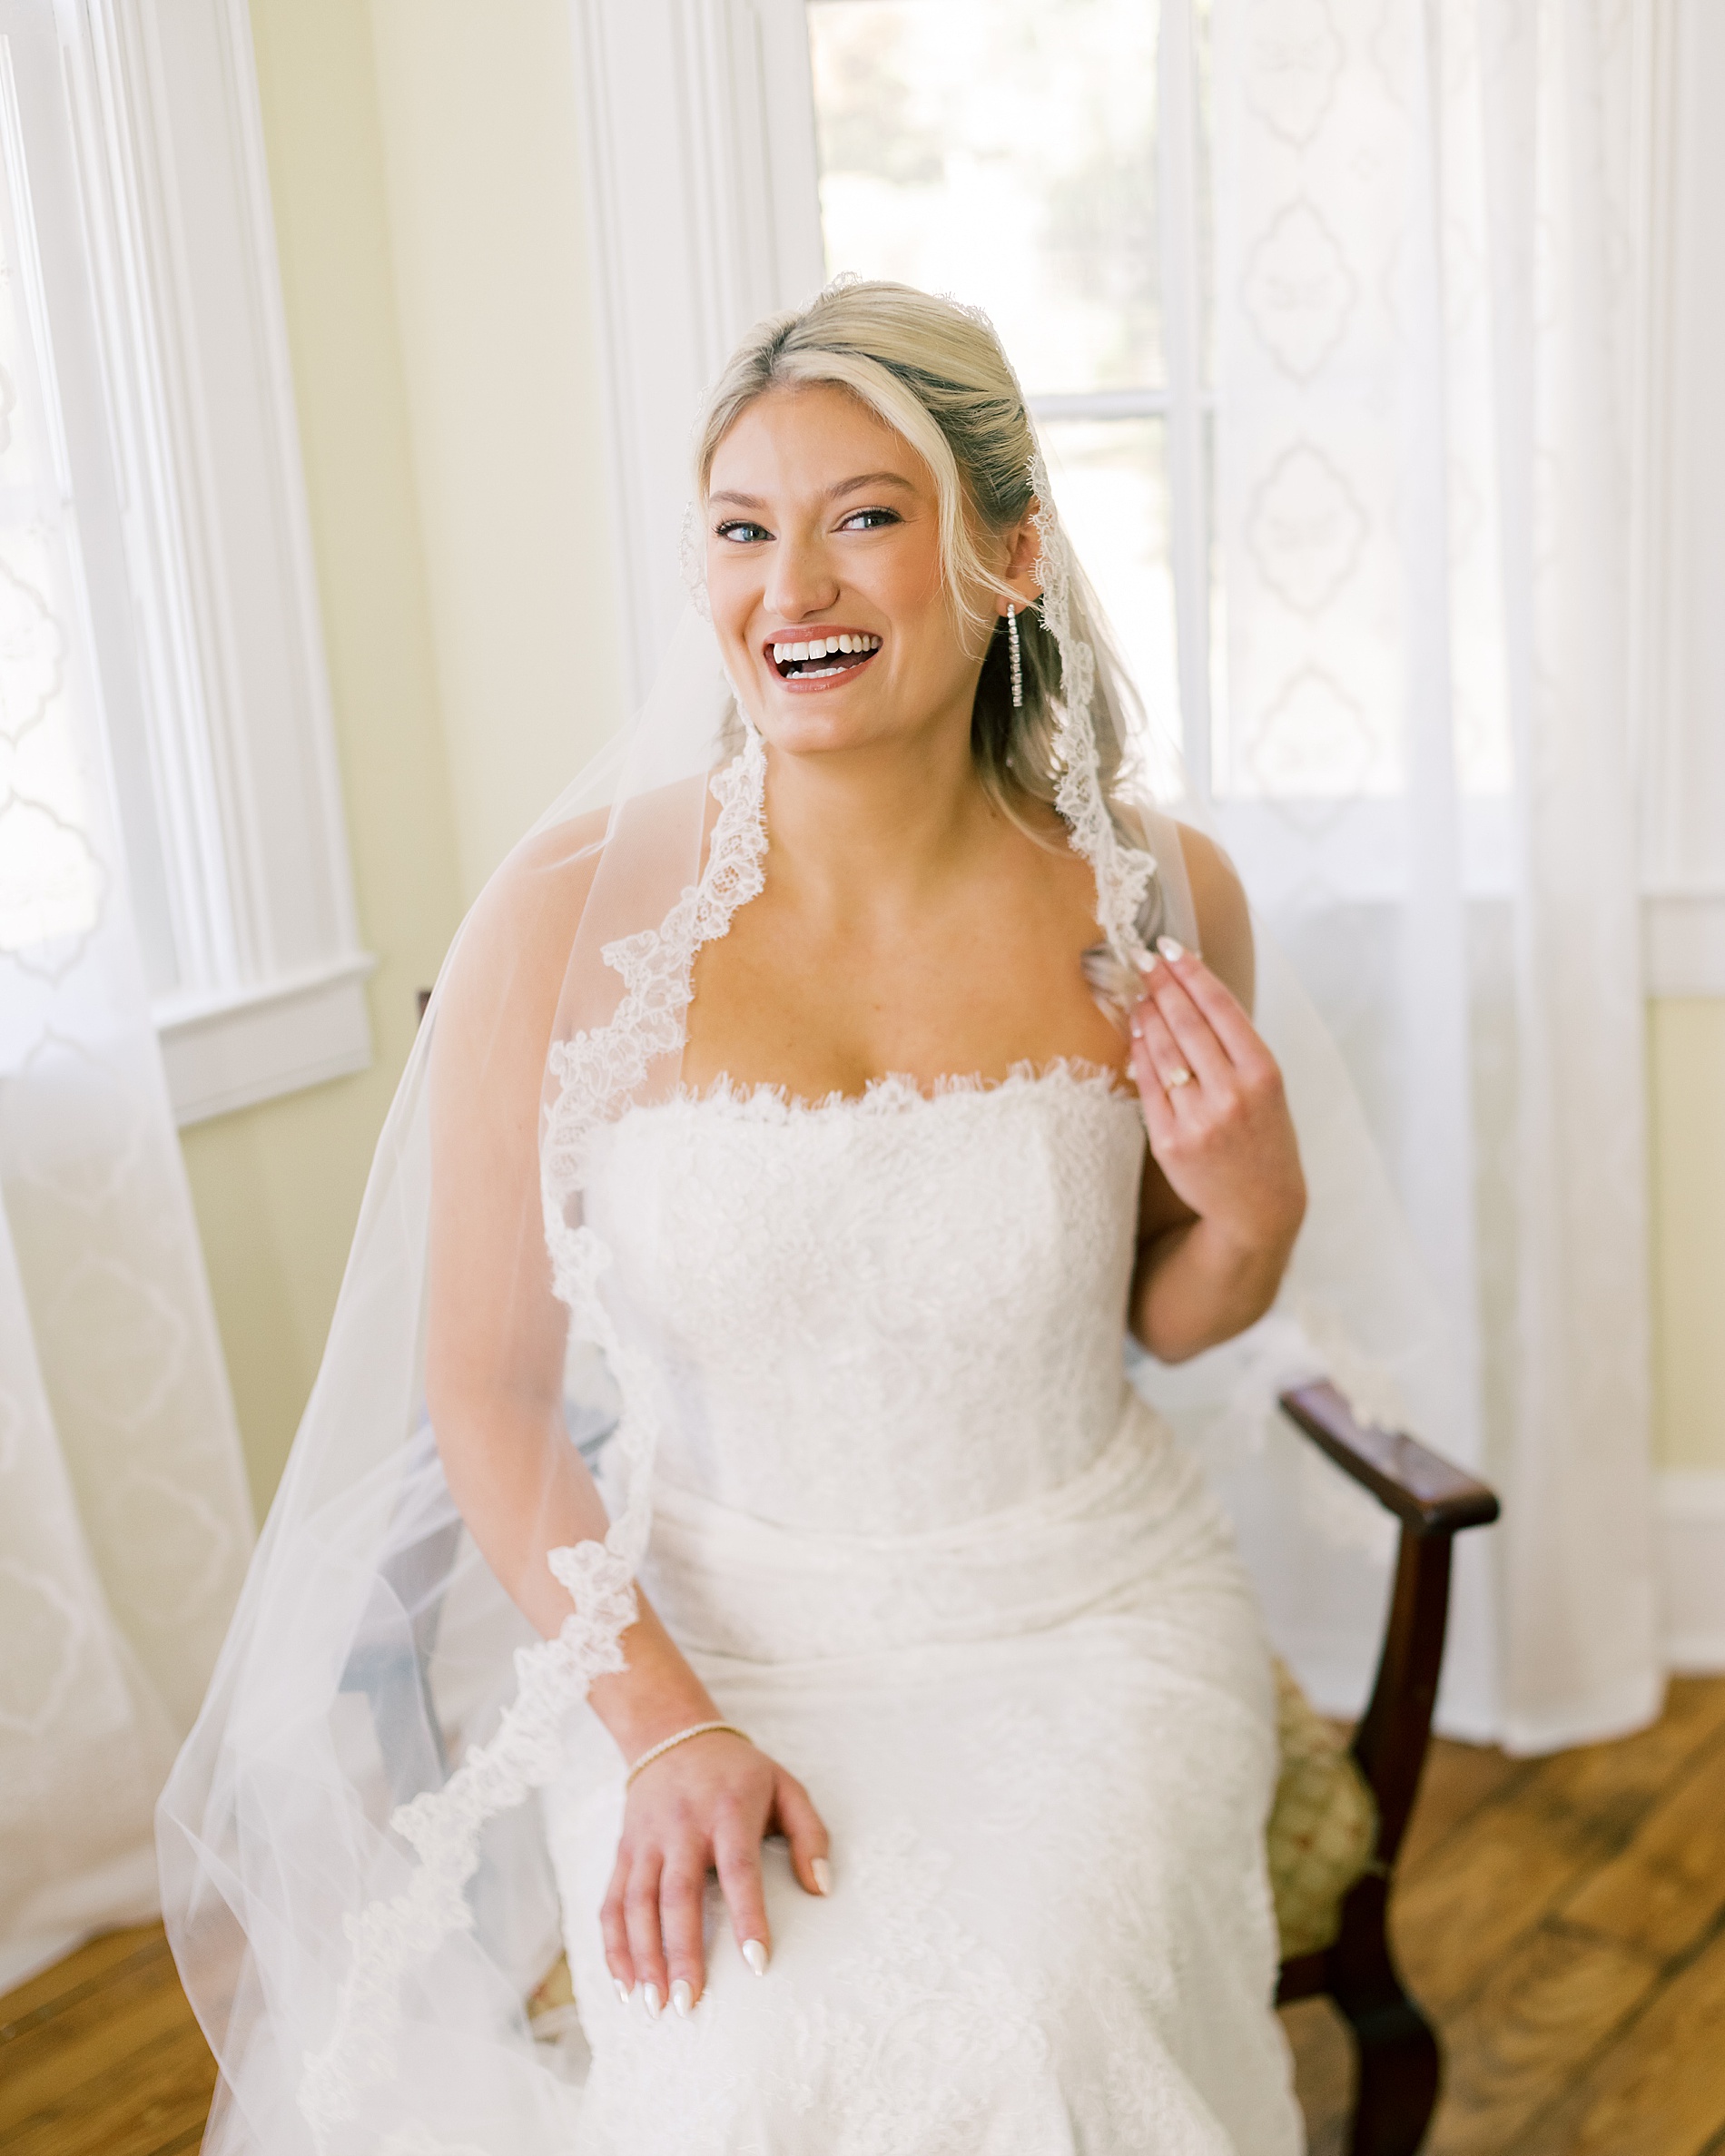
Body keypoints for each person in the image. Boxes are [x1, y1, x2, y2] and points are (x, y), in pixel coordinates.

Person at [162, 281, 1311, 2154]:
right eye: (738, 531)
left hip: (1082, 1613)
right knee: (744, 2049)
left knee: (1042, 2011)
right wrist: (668, 1726)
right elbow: (488, 1395)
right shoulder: (558, 921)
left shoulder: (1155, 898)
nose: (793, 590)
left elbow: (1154, 1322)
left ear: (1005, 550)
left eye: (864, 515)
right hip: (699, 1625)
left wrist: (1253, 1210)